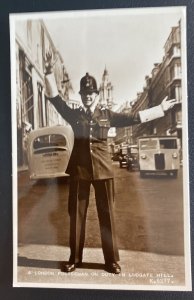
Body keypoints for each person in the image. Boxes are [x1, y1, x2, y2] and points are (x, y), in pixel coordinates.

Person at [44, 52, 177, 274]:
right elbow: (56, 100)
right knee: (76, 215)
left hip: (104, 169)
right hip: (79, 169)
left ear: (96, 94)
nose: (87, 96)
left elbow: (133, 118)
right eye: (84, 93)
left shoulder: (107, 114)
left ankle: (111, 260)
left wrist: (160, 109)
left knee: (107, 215)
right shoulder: (74, 114)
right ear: (81, 95)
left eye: (90, 93)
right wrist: (48, 73)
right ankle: (74, 259)